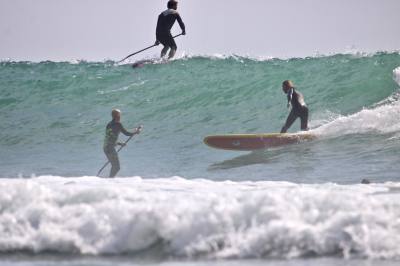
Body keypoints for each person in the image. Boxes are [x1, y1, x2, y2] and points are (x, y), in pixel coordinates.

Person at [103, 109, 141, 177]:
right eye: (120, 115)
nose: (120, 116)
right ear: (117, 116)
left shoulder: (109, 124)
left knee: (114, 166)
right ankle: (110, 181)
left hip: (106, 147)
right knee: (116, 167)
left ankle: (109, 180)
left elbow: (109, 138)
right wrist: (136, 132)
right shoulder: (118, 124)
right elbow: (127, 133)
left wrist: (119, 143)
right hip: (110, 148)